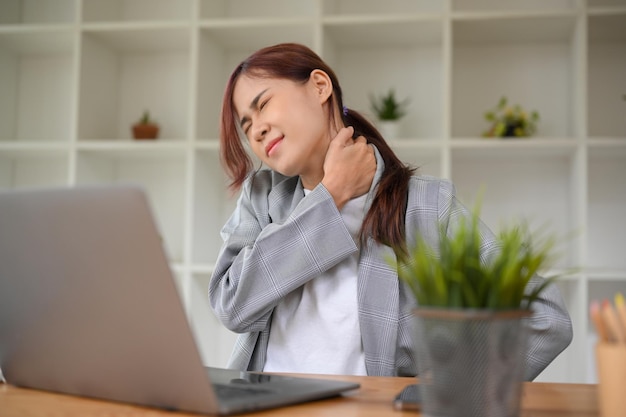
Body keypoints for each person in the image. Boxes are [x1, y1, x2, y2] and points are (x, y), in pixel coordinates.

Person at [209, 43, 572, 380]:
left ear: (320, 86)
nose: (256, 130)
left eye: (263, 105)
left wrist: (441, 393)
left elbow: (545, 319)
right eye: (246, 125)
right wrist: (330, 196)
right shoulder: (260, 199)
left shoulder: (427, 206)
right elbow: (232, 306)